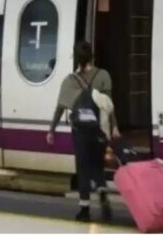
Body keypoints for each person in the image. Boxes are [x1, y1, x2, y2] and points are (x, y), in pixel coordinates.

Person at [46, 41, 118, 222]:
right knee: (97, 165)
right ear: (92, 56)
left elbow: (60, 107)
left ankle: (84, 210)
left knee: (83, 168)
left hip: (80, 132)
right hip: (99, 131)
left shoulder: (69, 81)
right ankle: (102, 191)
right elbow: (109, 105)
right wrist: (115, 127)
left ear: (76, 59)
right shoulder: (103, 75)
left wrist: (51, 130)